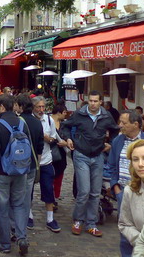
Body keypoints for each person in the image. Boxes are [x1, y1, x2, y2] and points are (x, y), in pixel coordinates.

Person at [60, 90, 120, 237]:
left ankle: (91, 223)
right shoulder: (80, 114)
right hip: (81, 154)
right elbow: (65, 126)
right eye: (91, 101)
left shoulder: (106, 116)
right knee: (84, 191)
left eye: (95, 101)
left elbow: (114, 130)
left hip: (98, 155)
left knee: (94, 192)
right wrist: (68, 139)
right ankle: (78, 220)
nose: (93, 103)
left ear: (101, 102)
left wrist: (110, 143)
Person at [0, 94, 29, 255]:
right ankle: (21, 238)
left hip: (4, 172)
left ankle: (5, 244)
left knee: (2, 208)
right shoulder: (22, 123)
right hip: (21, 171)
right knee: (19, 205)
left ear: (2, 107)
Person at [109, 110, 144, 214]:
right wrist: (116, 189)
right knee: (124, 225)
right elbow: (112, 166)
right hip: (122, 191)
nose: (120, 125)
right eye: (120, 122)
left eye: (124, 123)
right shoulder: (117, 141)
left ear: (135, 124)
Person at [32, 96, 64, 233]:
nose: (41, 110)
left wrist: (47, 137)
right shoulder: (29, 119)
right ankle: (29, 215)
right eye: (38, 107)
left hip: (46, 159)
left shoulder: (49, 119)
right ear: (33, 107)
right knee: (29, 191)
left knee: (48, 189)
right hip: (32, 161)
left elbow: (52, 138)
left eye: (43, 107)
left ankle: (50, 219)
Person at [15, 94, 44, 231]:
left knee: (16, 194)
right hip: (32, 164)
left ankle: (16, 221)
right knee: (27, 195)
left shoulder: (17, 122)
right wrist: (37, 163)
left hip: (18, 164)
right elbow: (40, 146)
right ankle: (25, 220)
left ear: (20, 106)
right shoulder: (37, 122)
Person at [51, 103, 68, 206]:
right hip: (50, 152)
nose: (65, 114)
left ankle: (55, 196)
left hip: (61, 154)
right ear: (59, 112)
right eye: (64, 112)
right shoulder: (48, 121)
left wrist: (66, 143)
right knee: (50, 176)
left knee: (59, 175)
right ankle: (50, 198)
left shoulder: (64, 124)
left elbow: (67, 136)